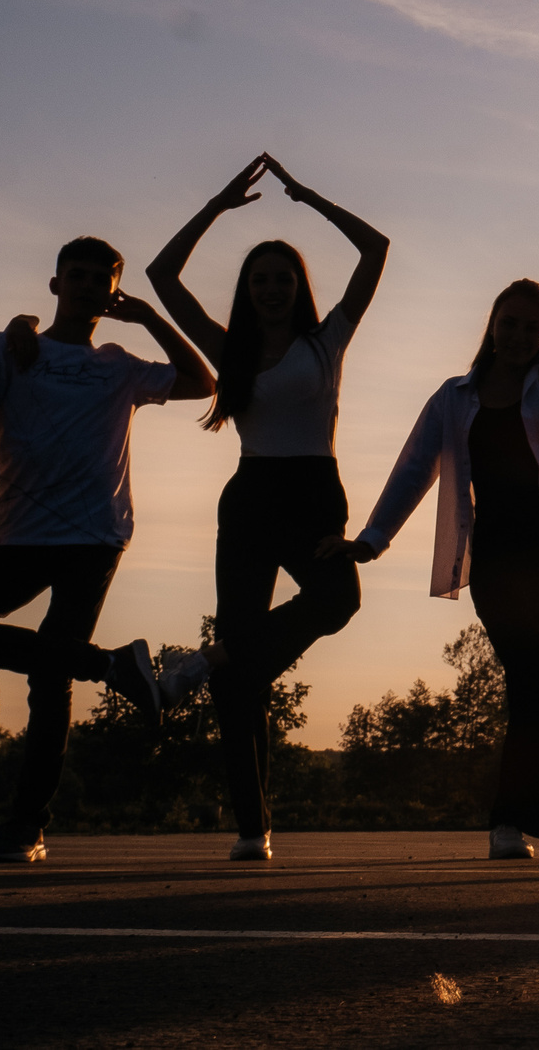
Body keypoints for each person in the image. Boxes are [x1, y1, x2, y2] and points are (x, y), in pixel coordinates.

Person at [338, 174, 539, 860]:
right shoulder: (454, 396)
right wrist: (372, 537)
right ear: (491, 325)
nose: (519, 335)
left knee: (532, 677)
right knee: (529, 661)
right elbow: (412, 468)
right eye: (508, 323)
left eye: (531, 326)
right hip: (494, 549)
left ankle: (509, 824)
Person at [0, 234, 218, 864]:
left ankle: (26, 828)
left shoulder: (119, 365)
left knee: (48, 678)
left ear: (113, 291)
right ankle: (113, 667)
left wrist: (149, 318)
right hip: (18, 535)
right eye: (76, 275)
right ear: (55, 284)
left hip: (95, 536)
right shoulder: (10, 350)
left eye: (100, 279)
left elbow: (204, 382)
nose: (87, 285)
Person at [141, 153, 388, 860]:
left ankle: (213, 658)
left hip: (314, 495)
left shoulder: (327, 339)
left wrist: (311, 200)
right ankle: (253, 827)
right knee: (241, 682)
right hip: (250, 498)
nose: (273, 289)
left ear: (298, 286)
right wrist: (217, 202)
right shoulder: (229, 349)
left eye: (284, 279)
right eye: (261, 279)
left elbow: (375, 250)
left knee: (338, 600)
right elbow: (162, 276)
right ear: (247, 289)